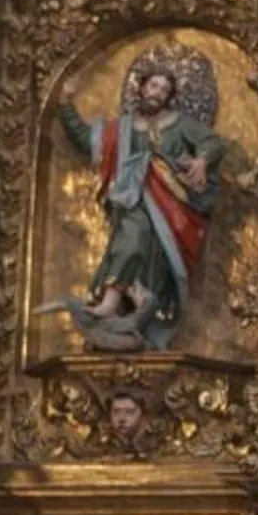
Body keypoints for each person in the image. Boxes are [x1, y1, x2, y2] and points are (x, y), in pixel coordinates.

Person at [54, 64, 223, 349]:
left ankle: (140, 317)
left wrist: (201, 160)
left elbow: (212, 141)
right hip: (132, 203)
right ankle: (110, 307)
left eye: (164, 90)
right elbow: (85, 138)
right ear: (142, 88)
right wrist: (65, 103)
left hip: (171, 209)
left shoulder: (179, 124)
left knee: (156, 265)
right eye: (154, 86)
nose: (157, 93)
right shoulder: (122, 128)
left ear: (169, 97)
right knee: (131, 241)